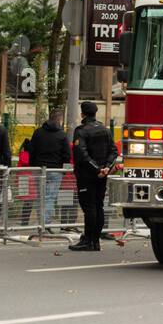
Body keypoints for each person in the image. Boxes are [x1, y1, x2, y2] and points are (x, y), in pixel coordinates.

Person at [69, 101, 119, 251]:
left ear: (82, 113)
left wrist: (97, 169)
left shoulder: (81, 131)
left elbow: (81, 155)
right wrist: (106, 168)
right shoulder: (105, 129)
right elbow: (114, 151)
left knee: (89, 208)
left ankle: (89, 240)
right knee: (98, 206)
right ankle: (95, 240)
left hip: (87, 175)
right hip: (102, 175)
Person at [28, 109, 71, 231]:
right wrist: (63, 168)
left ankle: (41, 222)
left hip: (39, 169)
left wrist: (33, 165)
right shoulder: (62, 135)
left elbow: (32, 150)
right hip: (55, 170)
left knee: (40, 196)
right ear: (60, 120)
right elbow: (67, 154)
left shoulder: (38, 133)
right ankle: (45, 223)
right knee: (50, 197)